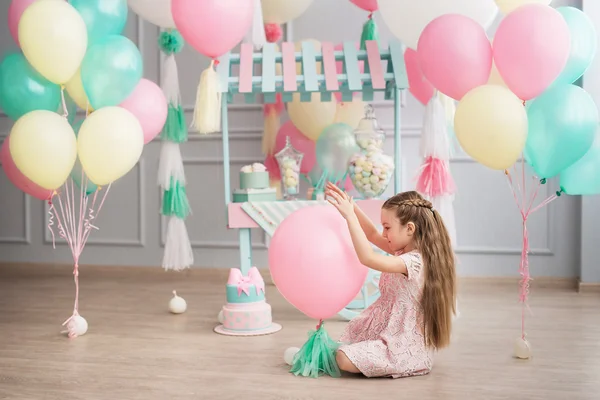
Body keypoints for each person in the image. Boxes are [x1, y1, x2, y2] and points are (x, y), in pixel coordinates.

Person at [325, 182, 457, 378]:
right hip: (390, 332)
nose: (384, 234)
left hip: (401, 346)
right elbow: (371, 234)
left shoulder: (414, 262)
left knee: (342, 358)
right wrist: (351, 206)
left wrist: (350, 217)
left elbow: (368, 258)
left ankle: (405, 362)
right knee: (343, 349)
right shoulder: (404, 250)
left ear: (410, 229)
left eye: (387, 227)